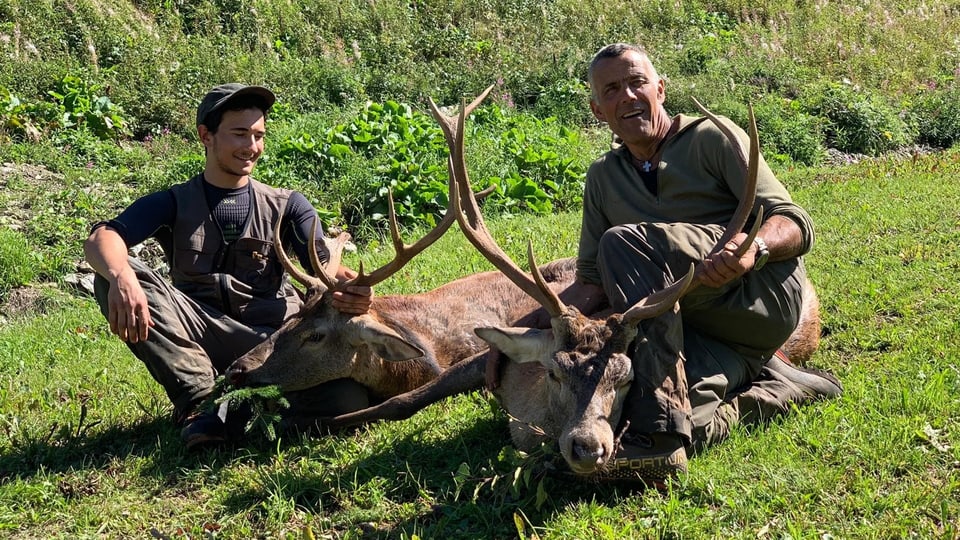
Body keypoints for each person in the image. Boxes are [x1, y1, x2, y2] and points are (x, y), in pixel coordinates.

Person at [493, 43, 842, 485]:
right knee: (672, 420)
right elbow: (591, 287)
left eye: (637, 82)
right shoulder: (603, 177)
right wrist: (520, 330)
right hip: (694, 334)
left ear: (660, 88)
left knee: (622, 244)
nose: (627, 96)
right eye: (612, 89)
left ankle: (657, 433)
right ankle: (778, 388)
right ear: (597, 109)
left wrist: (753, 249)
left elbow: (794, 222)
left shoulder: (712, 138)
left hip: (758, 299)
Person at [84, 83, 373, 450]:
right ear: (206, 135)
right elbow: (102, 238)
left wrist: (351, 288)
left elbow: (324, 266)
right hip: (197, 333)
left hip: (272, 342)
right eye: (239, 134)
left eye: (258, 135)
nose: (251, 147)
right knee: (112, 277)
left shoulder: (289, 206)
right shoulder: (174, 201)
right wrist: (121, 274)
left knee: (346, 401)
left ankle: (239, 408)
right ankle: (202, 399)